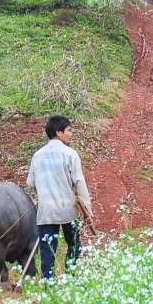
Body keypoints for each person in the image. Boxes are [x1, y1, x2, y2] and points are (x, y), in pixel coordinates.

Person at [26, 115, 93, 280]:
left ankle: (48, 282)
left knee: (47, 249)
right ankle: (71, 276)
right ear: (58, 132)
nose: (71, 134)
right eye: (69, 130)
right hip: (68, 209)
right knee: (74, 244)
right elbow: (79, 182)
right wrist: (87, 208)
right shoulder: (70, 154)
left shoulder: (37, 155)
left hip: (46, 211)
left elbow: (30, 182)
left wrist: (44, 189)